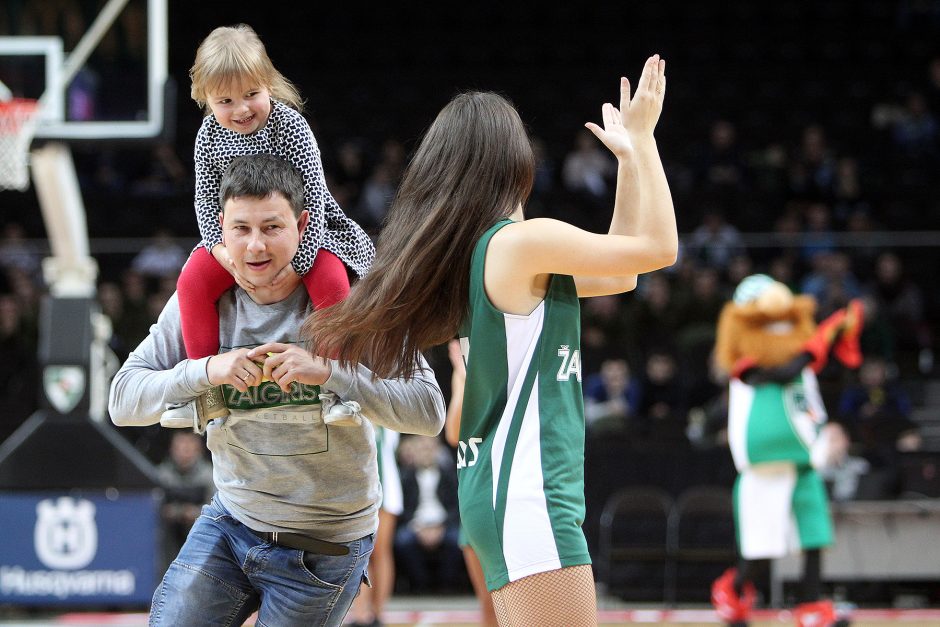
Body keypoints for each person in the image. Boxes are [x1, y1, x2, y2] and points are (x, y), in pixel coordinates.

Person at [305, 55, 677, 626]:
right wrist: (647, 140)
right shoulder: (520, 245)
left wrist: (628, 159)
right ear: (514, 161)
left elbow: (625, 267)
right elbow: (659, 247)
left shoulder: (490, 255)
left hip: (504, 488)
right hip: (526, 491)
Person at [108, 154, 444, 627]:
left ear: (304, 224)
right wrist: (205, 369)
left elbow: (429, 411)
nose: (255, 245)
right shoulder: (198, 300)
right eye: (241, 228)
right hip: (232, 519)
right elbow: (122, 401)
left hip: (324, 542)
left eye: (272, 227)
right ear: (219, 225)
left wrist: (331, 373)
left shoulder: (353, 297)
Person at [178, 24, 374, 410]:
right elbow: (204, 201)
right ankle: (203, 388)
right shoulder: (207, 136)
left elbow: (314, 201)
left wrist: (295, 266)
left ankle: (336, 386)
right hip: (236, 238)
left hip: (307, 233)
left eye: (252, 94)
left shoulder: (292, 127)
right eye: (225, 101)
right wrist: (223, 256)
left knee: (332, 280)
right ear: (205, 99)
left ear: (269, 83)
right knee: (191, 282)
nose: (241, 109)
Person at [444, 338, 498, 627]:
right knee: (489, 608)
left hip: (508, 491)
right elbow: (453, 433)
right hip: (476, 490)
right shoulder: (463, 364)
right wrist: (464, 378)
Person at [346, 424, 402, 627]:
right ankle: (363, 614)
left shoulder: (385, 408)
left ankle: (375, 614)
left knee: (376, 551)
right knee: (365, 552)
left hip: (383, 485)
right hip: (361, 486)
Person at [393, 434, 463, 594]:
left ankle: (446, 587)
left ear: (438, 450)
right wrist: (417, 526)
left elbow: (456, 506)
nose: (426, 452)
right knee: (403, 541)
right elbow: (402, 508)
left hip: (443, 524)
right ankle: (420, 586)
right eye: (422, 449)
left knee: (457, 540)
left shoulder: (449, 475)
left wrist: (441, 526)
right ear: (415, 451)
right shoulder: (405, 476)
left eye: (430, 448)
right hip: (416, 525)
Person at [155, 430, 214, 569]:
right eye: (181, 445)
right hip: (168, 535)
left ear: (199, 448)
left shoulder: (210, 475)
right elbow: (152, 507)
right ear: (172, 448)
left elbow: (217, 509)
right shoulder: (161, 474)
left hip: (200, 534)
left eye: (189, 445)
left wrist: (197, 513)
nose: (185, 450)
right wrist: (175, 512)